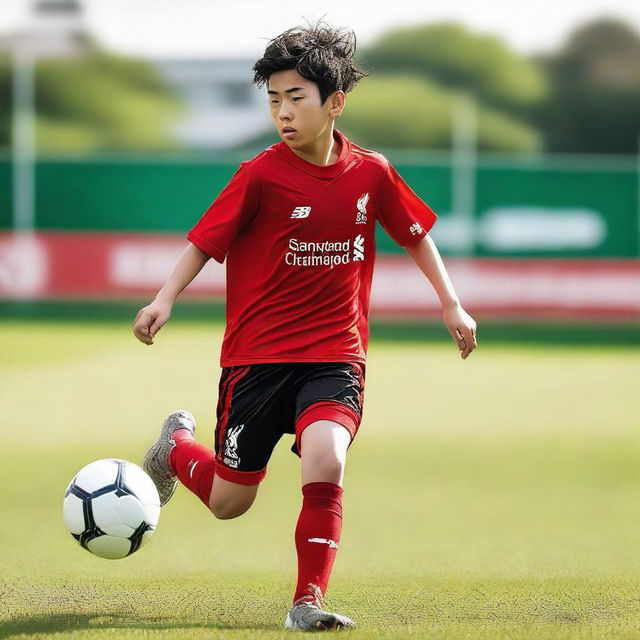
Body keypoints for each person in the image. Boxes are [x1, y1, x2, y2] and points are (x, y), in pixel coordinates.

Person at [132, 20, 477, 632]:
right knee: (229, 502)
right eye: (273, 100)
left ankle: (306, 602)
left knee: (327, 456)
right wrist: (164, 300)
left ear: (335, 102)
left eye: (296, 98)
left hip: (335, 356)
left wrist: (451, 304)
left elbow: (418, 237)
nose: (283, 112)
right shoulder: (259, 174)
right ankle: (174, 449)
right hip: (257, 360)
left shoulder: (372, 172)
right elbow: (203, 243)